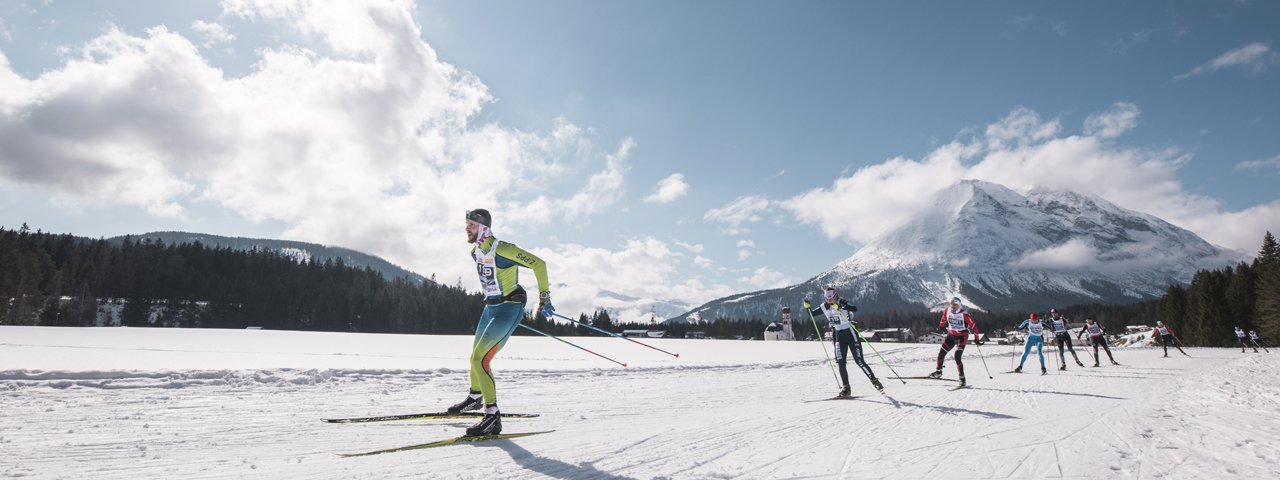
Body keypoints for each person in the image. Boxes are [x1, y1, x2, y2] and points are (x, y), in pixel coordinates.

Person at [447, 208, 553, 436]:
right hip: (490, 307)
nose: (467, 229)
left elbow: (539, 264)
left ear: (485, 227)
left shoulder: (503, 249)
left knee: (480, 360)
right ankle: (475, 398)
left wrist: (544, 297)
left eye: (472, 225)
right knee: (474, 357)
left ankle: (492, 416)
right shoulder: (475, 252)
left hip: (509, 308)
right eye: (466, 225)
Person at [803, 287, 883, 396]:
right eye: (827, 298)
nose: (829, 301)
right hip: (839, 336)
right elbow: (812, 314)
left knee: (859, 361)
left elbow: (854, 308)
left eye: (831, 298)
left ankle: (874, 380)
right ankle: (846, 388)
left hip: (850, 334)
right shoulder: (825, 306)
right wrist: (807, 307)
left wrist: (842, 306)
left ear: (836, 295)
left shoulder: (842, 302)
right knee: (841, 363)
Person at [927, 297, 981, 387]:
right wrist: (941, 326)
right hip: (951, 336)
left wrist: (976, 339)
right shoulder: (947, 310)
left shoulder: (964, 315)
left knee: (957, 356)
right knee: (941, 353)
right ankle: (938, 372)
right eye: (951, 304)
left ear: (959, 305)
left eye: (955, 304)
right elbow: (944, 319)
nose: (953, 306)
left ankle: (962, 379)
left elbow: (974, 327)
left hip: (962, 337)